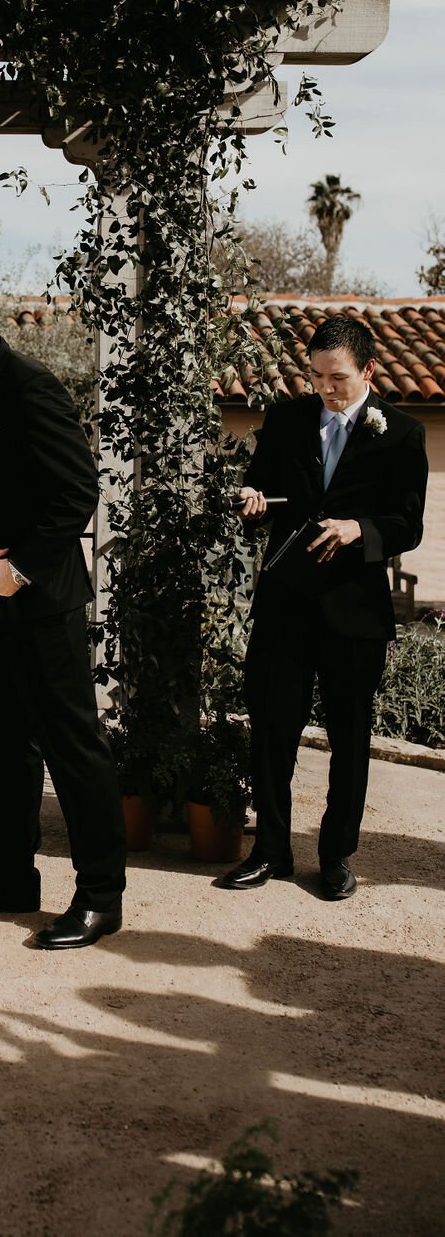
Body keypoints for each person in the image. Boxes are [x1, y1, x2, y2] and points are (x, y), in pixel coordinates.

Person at [0, 268, 126, 949]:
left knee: (73, 746)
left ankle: (100, 894)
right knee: (3, 745)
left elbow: (77, 493)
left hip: (43, 602)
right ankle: (12, 874)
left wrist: (19, 568)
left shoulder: (32, 385)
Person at [222, 315, 427, 899]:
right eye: (316, 377)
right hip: (286, 602)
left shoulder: (403, 434)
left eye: (336, 378)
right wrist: (252, 502)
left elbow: (406, 525)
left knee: (350, 737)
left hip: (355, 612)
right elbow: (257, 490)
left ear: (367, 371)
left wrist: (358, 529)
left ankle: (336, 855)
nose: (325, 390)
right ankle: (271, 851)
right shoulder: (285, 420)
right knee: (271, 731)